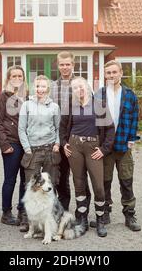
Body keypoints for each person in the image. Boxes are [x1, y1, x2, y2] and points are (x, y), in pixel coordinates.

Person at [60, 77, 115, 237]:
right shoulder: (70, 106)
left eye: (81, 86)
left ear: (87, 86)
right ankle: (82, 218)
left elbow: (110, 129)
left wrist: (104, 149)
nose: (79, 89)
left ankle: (100, 219)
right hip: (75, 146)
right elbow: (62, 127)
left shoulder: (99, 105)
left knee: (98, 185)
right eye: (75, 87)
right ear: (73, 91)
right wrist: (64, 143)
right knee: (79, 184)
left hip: (93, 147)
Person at [93, 60, 141, 232]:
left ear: (121, 73)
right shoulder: (99, 95)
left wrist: (132, 139)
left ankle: (129, 214)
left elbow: (135, 118)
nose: (112, 75)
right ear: (105, 75)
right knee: (105, 181)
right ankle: (105, 212)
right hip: (105, 146)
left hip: (123, 144)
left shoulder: (130, 95)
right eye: (108, 73)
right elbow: (94, 121)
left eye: (114, 72)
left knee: (126, 181)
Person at [50, 51, 91, 212]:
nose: (65, 67)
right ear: (58, 65)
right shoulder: (53, 87)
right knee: (61, 177)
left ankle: (83, 211)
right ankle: (63, 209)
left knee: (80, 176)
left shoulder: (83, 85)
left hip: (79, 137)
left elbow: (90, 110)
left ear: (73, 65)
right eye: (62, 64)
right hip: (60, 138)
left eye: (68, 64)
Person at [0, 66, 28, 230]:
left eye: (20, 75)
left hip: (26, 143)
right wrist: (4, 144)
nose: (17, 78)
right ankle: (6, 213)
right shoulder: (2, 97)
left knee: (25, 180)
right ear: (8, 78)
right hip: (12, 144)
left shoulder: (26, 96)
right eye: (13, 75)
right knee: (10, 180)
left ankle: (22, 210)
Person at [18, 75, 61, 190]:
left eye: (43, 86)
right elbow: (21, 129)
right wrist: (27, 148)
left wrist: (57, 144)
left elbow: (58, 128)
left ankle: (50, 208)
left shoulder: (54, 107)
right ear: (34, 87)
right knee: (32, 186)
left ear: (47, 88)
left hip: (50, 150)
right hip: (32, 150)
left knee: (50, 186)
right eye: (37, 86)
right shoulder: (26, 105)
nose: (40, 89)